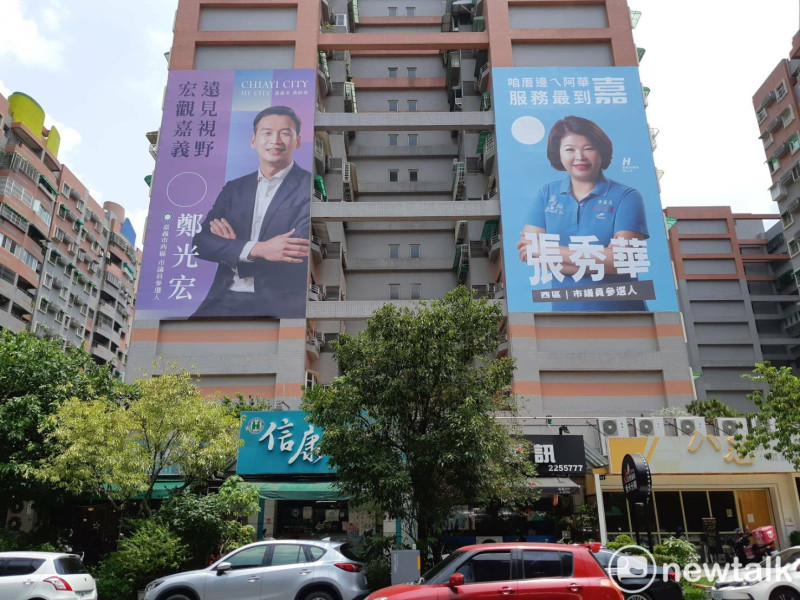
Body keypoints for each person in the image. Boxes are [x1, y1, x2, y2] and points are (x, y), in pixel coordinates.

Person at [515, 115, 649, 311]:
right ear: (558, 154)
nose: (580, 157)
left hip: (624, 317)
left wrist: (550, 252)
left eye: (588, 148)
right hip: (566, 320)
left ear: (601, 152)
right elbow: (529, 253)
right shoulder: (547, 194)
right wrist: (601, 259)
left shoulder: (626, 196)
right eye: (569, 149)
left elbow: (623, 260)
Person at [192, 105, 311, 318]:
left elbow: (295, 249)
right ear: (253, 141)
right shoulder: (234, 188)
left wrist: (232, 248)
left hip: (278, 303)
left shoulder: (308, 186)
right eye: (267, 133)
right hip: (223, 298)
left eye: (285, 133)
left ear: (298, 141)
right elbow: (201, 243)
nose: (275, 140)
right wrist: (259, 248)